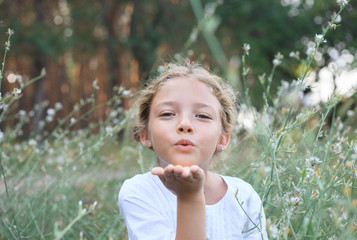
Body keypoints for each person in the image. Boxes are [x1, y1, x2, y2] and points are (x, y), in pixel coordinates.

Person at [118, 60, 268, 240]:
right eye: (167, 113)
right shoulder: (138, 193)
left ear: (223, 138)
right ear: (145, 134)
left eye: (202, 116)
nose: (185, 124)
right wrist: (190, 198)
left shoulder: (244, 196)